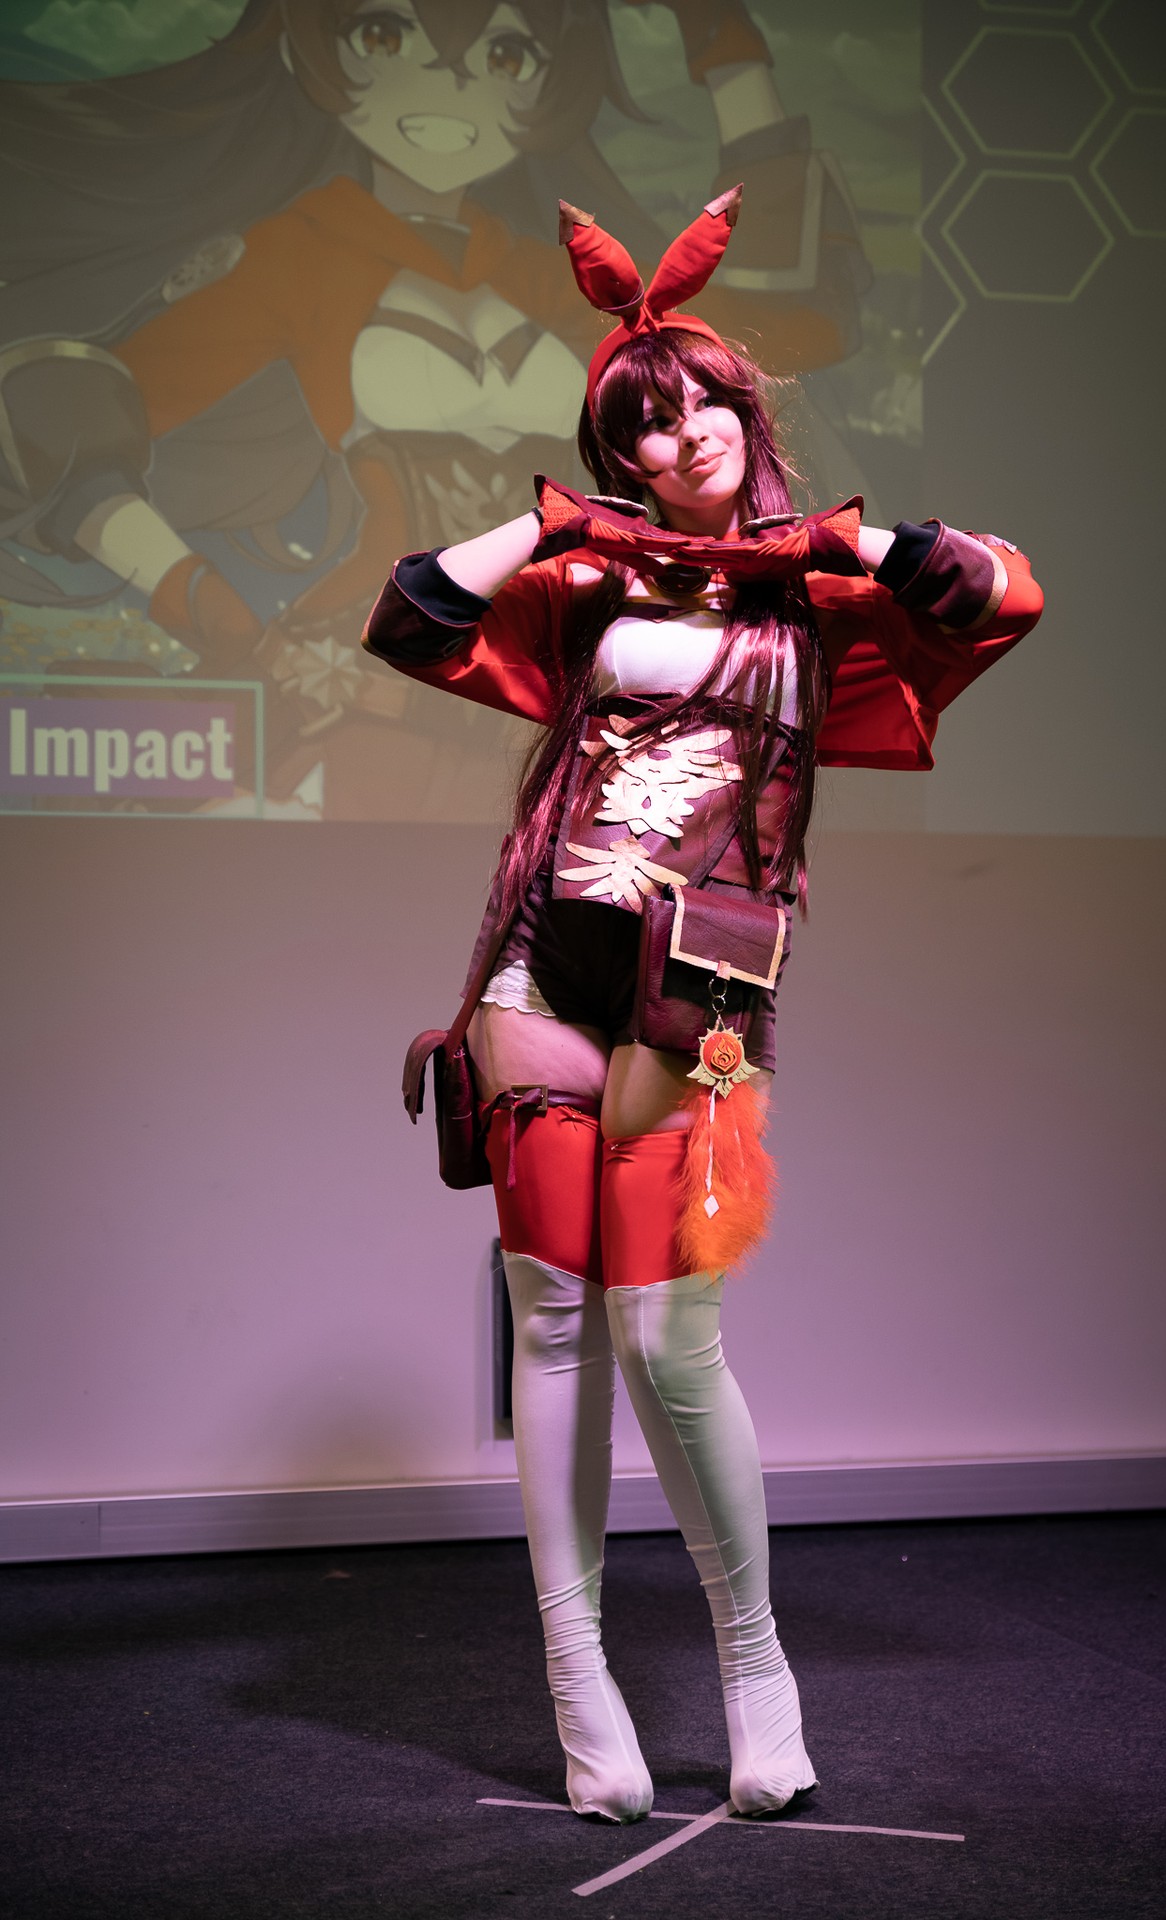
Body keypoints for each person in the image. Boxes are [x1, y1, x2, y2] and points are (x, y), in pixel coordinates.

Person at [361, 191, 1043, 1821]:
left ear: (747, 408)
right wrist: (554, 526)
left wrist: (833, 543)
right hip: (541, 959)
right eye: (645, 427)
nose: (686, 439)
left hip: (704, 982)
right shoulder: (588, 585)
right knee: (550, 1323)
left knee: (668, 1341)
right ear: (621, 459)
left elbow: (998, 595)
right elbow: (410, 616)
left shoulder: (819, 597)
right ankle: (576, 1680)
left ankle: (753, 1666)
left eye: (704, 404)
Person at [0, 0, 867, 817]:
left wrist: (729, 52)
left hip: (568, 665)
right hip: (387, 666)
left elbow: (775, 327)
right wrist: (201, 602)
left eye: (505, 54)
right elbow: (67, 410)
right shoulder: (302, 252)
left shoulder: (541, 271)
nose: (449, 85)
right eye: (385, 36)